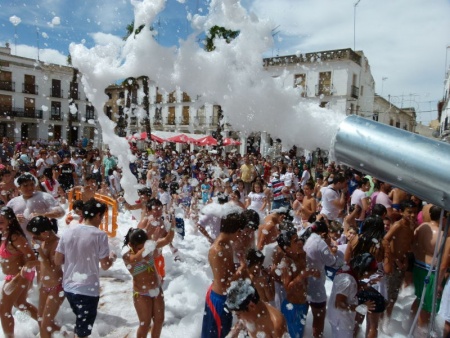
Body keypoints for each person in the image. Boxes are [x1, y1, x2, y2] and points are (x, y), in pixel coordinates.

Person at [55, 199, 117, 338]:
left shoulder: (68, 232)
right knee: (83, 331)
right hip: (88, 289)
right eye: (102, 216)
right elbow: (105, 265)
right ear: (97, 215)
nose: (101, 220)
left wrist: (74, 256)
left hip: (69, 288)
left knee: (80, 323)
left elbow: (57, 260)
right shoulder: (99, 235)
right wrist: (112, 257)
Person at [201, 211, 246, 338]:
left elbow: (228, 271)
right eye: (240, 232)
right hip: (218, 299)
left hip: (224, 297)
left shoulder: (227, 244)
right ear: (235, 230)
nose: (240, 235)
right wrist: (241, 269)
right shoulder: (217, 250)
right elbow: (225, 283)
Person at [123, 228, 170, 338]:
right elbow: (135, 258)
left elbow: (167, 240)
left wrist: (172, 226)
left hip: (156, 289)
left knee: (159, 320)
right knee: (145, 324)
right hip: (141, 293)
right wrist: (147, 247)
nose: (144, 251)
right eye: (140, 248)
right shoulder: (126, 255)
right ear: (131, 245)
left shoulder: (147, 248)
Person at [0, 207, 39, 337]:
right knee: (21, 305)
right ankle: (47, 323)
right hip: (15, 275)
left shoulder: (15, 237)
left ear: (10, 221)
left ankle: (9, 336)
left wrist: (17, 279)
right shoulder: (4, 235)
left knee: (4, 311)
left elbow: (33, 260)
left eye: (1, 222)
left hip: (20, 275)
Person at [303, 220, 343, 338]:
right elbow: (331, 262)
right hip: (316, 286)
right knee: (319, 316)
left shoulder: (304, 236)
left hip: (303, 283)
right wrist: (333, 251)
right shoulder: (320, 243)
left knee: (303, 315)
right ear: (324, 233)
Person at [277, 228, 320, 338]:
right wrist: (303, 275)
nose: (300, 242)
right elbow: (287, 288)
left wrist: (312, 272)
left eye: (299, 239)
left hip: (303, 304)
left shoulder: (301, 256)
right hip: (292, 307)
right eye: (295, 241)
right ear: (287, 248)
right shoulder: (286, 263)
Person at [26, 216, 64, 338]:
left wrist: (39, 250)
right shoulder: (45, 241)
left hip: (56, 287)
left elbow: (52, 269)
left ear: (45, 233)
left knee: (45, 325)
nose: (34, 238)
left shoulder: (57, 244)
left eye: (36, 236)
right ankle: (67, 334)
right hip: (46, 286)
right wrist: (33, 263)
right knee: (41, 319)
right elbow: (43, 263)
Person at [382, 200, 417, 329]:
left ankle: (386, 324)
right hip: (393, 263)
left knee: (394, 297)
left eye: (414, 212)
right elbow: (385, 241)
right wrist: (394, 259)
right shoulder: (398, 225)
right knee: (389, 296)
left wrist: (406, 259)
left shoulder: (410, 226)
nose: (412, 215)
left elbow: (408, 245)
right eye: (409, 212)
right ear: (401, 212)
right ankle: (381, 324)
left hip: (402, 264)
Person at [327, 253, 377, 338]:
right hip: (341, 322)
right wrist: (361, 307)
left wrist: (368, 284)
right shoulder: (347, 280)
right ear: (363, 269)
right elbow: (339, 304)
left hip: (337, 318)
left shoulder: (347, 270)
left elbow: (350, 290)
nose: (368, 276)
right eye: (369, 274)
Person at [411, 205, 444, 331]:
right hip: (430, 271)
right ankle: (421, 331)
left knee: (420, 298)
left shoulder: (422, 227)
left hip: (418, 266)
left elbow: (412, 244)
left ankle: (411, 324)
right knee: (427, 305)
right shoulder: (440, 234)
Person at [7, 173, 65, 238]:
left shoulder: (44, 197)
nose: (29, 188)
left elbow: (61, 212)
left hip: (44, 239)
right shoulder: (13, 203)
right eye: (25, 185)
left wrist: (43, 215)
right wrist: (15, 219)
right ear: (19, 187)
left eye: (32, 184)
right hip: (22, 240)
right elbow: (5, 220)